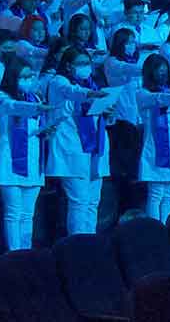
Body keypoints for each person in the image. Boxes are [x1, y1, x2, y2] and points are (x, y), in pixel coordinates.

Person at [0, 57, 55, 251]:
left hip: (34, 160)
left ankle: (25, 252)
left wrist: (46, 130)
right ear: (13, 77)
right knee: (13, 212)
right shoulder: (1, 97)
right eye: (24, 76)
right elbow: (12, 107)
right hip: (10, 159)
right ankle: (14, 254)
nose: (29, 79)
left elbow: (38, 126)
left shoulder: (35, 97)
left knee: (28, 214)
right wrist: (36, 109)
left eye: (30, 75)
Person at [44, 47, 108, 235]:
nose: (85, 67)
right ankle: (78, 248)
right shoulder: (58, 81)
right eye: (80, 64)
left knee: (93, 201)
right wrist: (91, 95)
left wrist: (106, 111)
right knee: (79, 200)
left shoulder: (93, 84)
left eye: (87, 63)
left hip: (95, 147)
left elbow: (96, 114)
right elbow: (71, 91)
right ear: (68, 65)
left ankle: (91, 242)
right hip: (71, 147)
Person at [136, 54, 170, 223]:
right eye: (159, 72)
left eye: (165, 72)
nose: (163, 75)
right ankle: (154, 231)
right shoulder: (143, 93)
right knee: (156, 193)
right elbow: (157, 99)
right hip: (155, 147)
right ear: (150, 73)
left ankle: (166, 228)